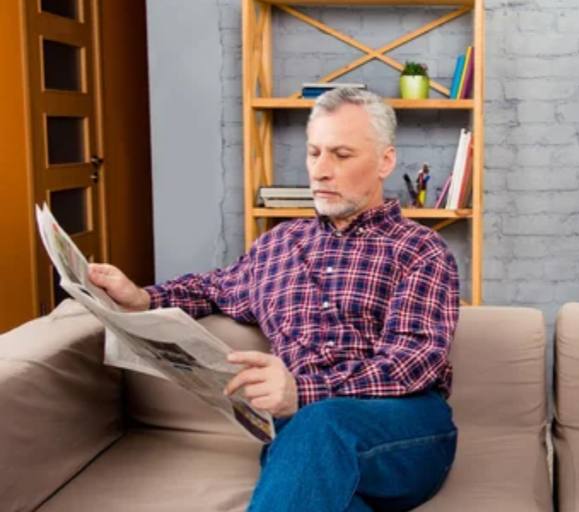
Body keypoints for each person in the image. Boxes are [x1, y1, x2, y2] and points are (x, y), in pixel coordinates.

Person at [89, 88, 460, 512]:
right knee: (316, 465)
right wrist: (141, 298)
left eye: (341, 155)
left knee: (320, 424)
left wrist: (302, 391)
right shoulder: (279, 245)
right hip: (302, 437)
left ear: (385, 162)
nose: (320, 171)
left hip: (404, 427)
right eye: (314, 153)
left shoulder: (420, 249)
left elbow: (414, 361)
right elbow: (213, 288)